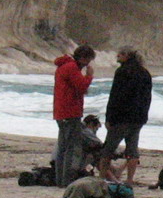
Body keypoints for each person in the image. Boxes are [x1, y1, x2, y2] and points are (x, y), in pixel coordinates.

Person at [100, 45, 152, 185]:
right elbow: (147, 98)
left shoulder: (122, 72)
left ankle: (101, 179)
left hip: (122, 117)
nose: (118, 56)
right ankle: (129, 180)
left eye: (121, 54)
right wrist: (144, 116)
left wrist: (109, 117)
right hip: (138, 118)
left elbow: (115, 96)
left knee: (107, 150)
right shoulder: (145, 73)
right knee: (132, 150)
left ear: (128, 56)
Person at [51, 44, 95, 188]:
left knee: (63, 147)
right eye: (88, 60)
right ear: (83, 58)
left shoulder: (65, 66)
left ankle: (60, 180)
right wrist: (89, 76)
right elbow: (82, 86)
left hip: (62, 111)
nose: (88, 64)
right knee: (69, 148)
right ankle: (65, 181)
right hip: (69, 112)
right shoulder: (71, 68)